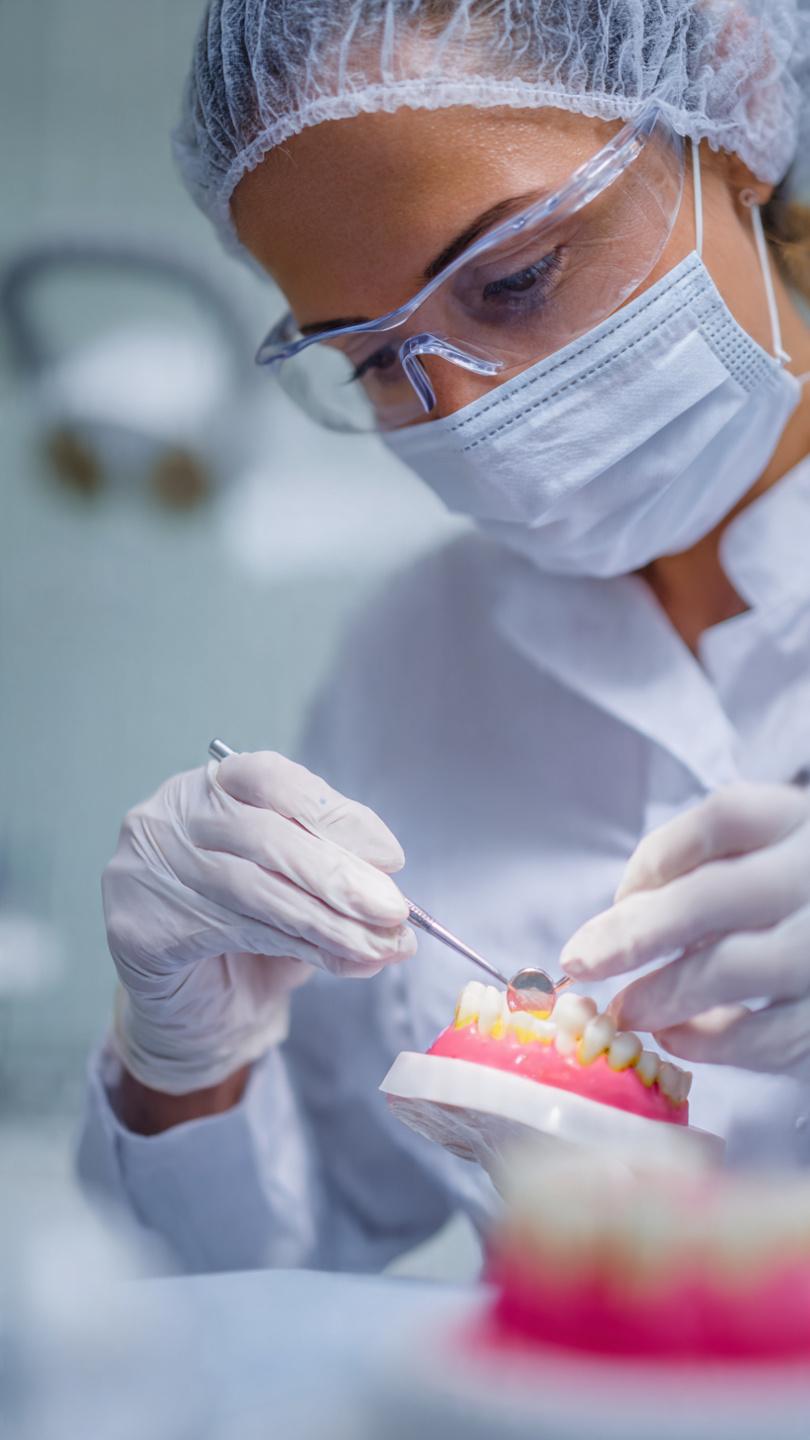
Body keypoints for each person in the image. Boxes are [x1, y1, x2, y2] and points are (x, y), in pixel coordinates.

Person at [78, 0, 810, 1273]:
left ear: (739, 106)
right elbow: (285, 1275)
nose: (472, 414)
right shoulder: (412, 656)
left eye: (516, 277)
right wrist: (182, 1063)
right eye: (372, 360)